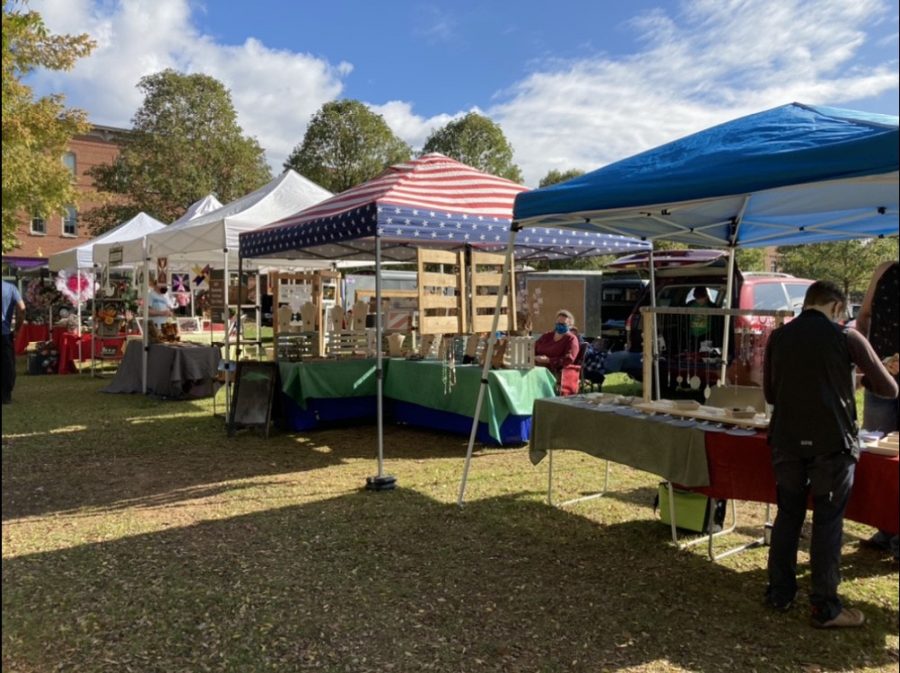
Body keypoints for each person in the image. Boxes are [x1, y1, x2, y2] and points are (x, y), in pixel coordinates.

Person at [763, 280, 898, 628]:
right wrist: (864, 375)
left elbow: (771, 393)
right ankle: (825, 606)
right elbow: (889, 387)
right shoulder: (847, 338)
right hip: (831, 443)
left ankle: (779, 593)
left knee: (788, 515)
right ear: (837, 307)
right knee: (827, 522)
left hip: (787, 440)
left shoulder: (779, 337)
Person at [854, 260, 899, 560]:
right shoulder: (885, 269)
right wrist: (865, 357)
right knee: (876, 454)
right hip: (880, 378)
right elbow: (864, 317)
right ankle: (885, 529)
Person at [534, 309, 580, 375]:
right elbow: (533, 348)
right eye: (558, 323)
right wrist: (534, 357)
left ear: (570, 325)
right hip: (536, 365)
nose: (560, 325)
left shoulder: (571, 339)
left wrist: (549, 360)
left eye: (563, 324)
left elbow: (568, 359)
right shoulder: (546, 336)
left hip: (555, 370)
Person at [2, 280, 26, 405]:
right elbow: (22, 309)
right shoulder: (11, 288)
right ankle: (5, 395)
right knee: (7, 365)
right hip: (5, 333)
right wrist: (17, 329)